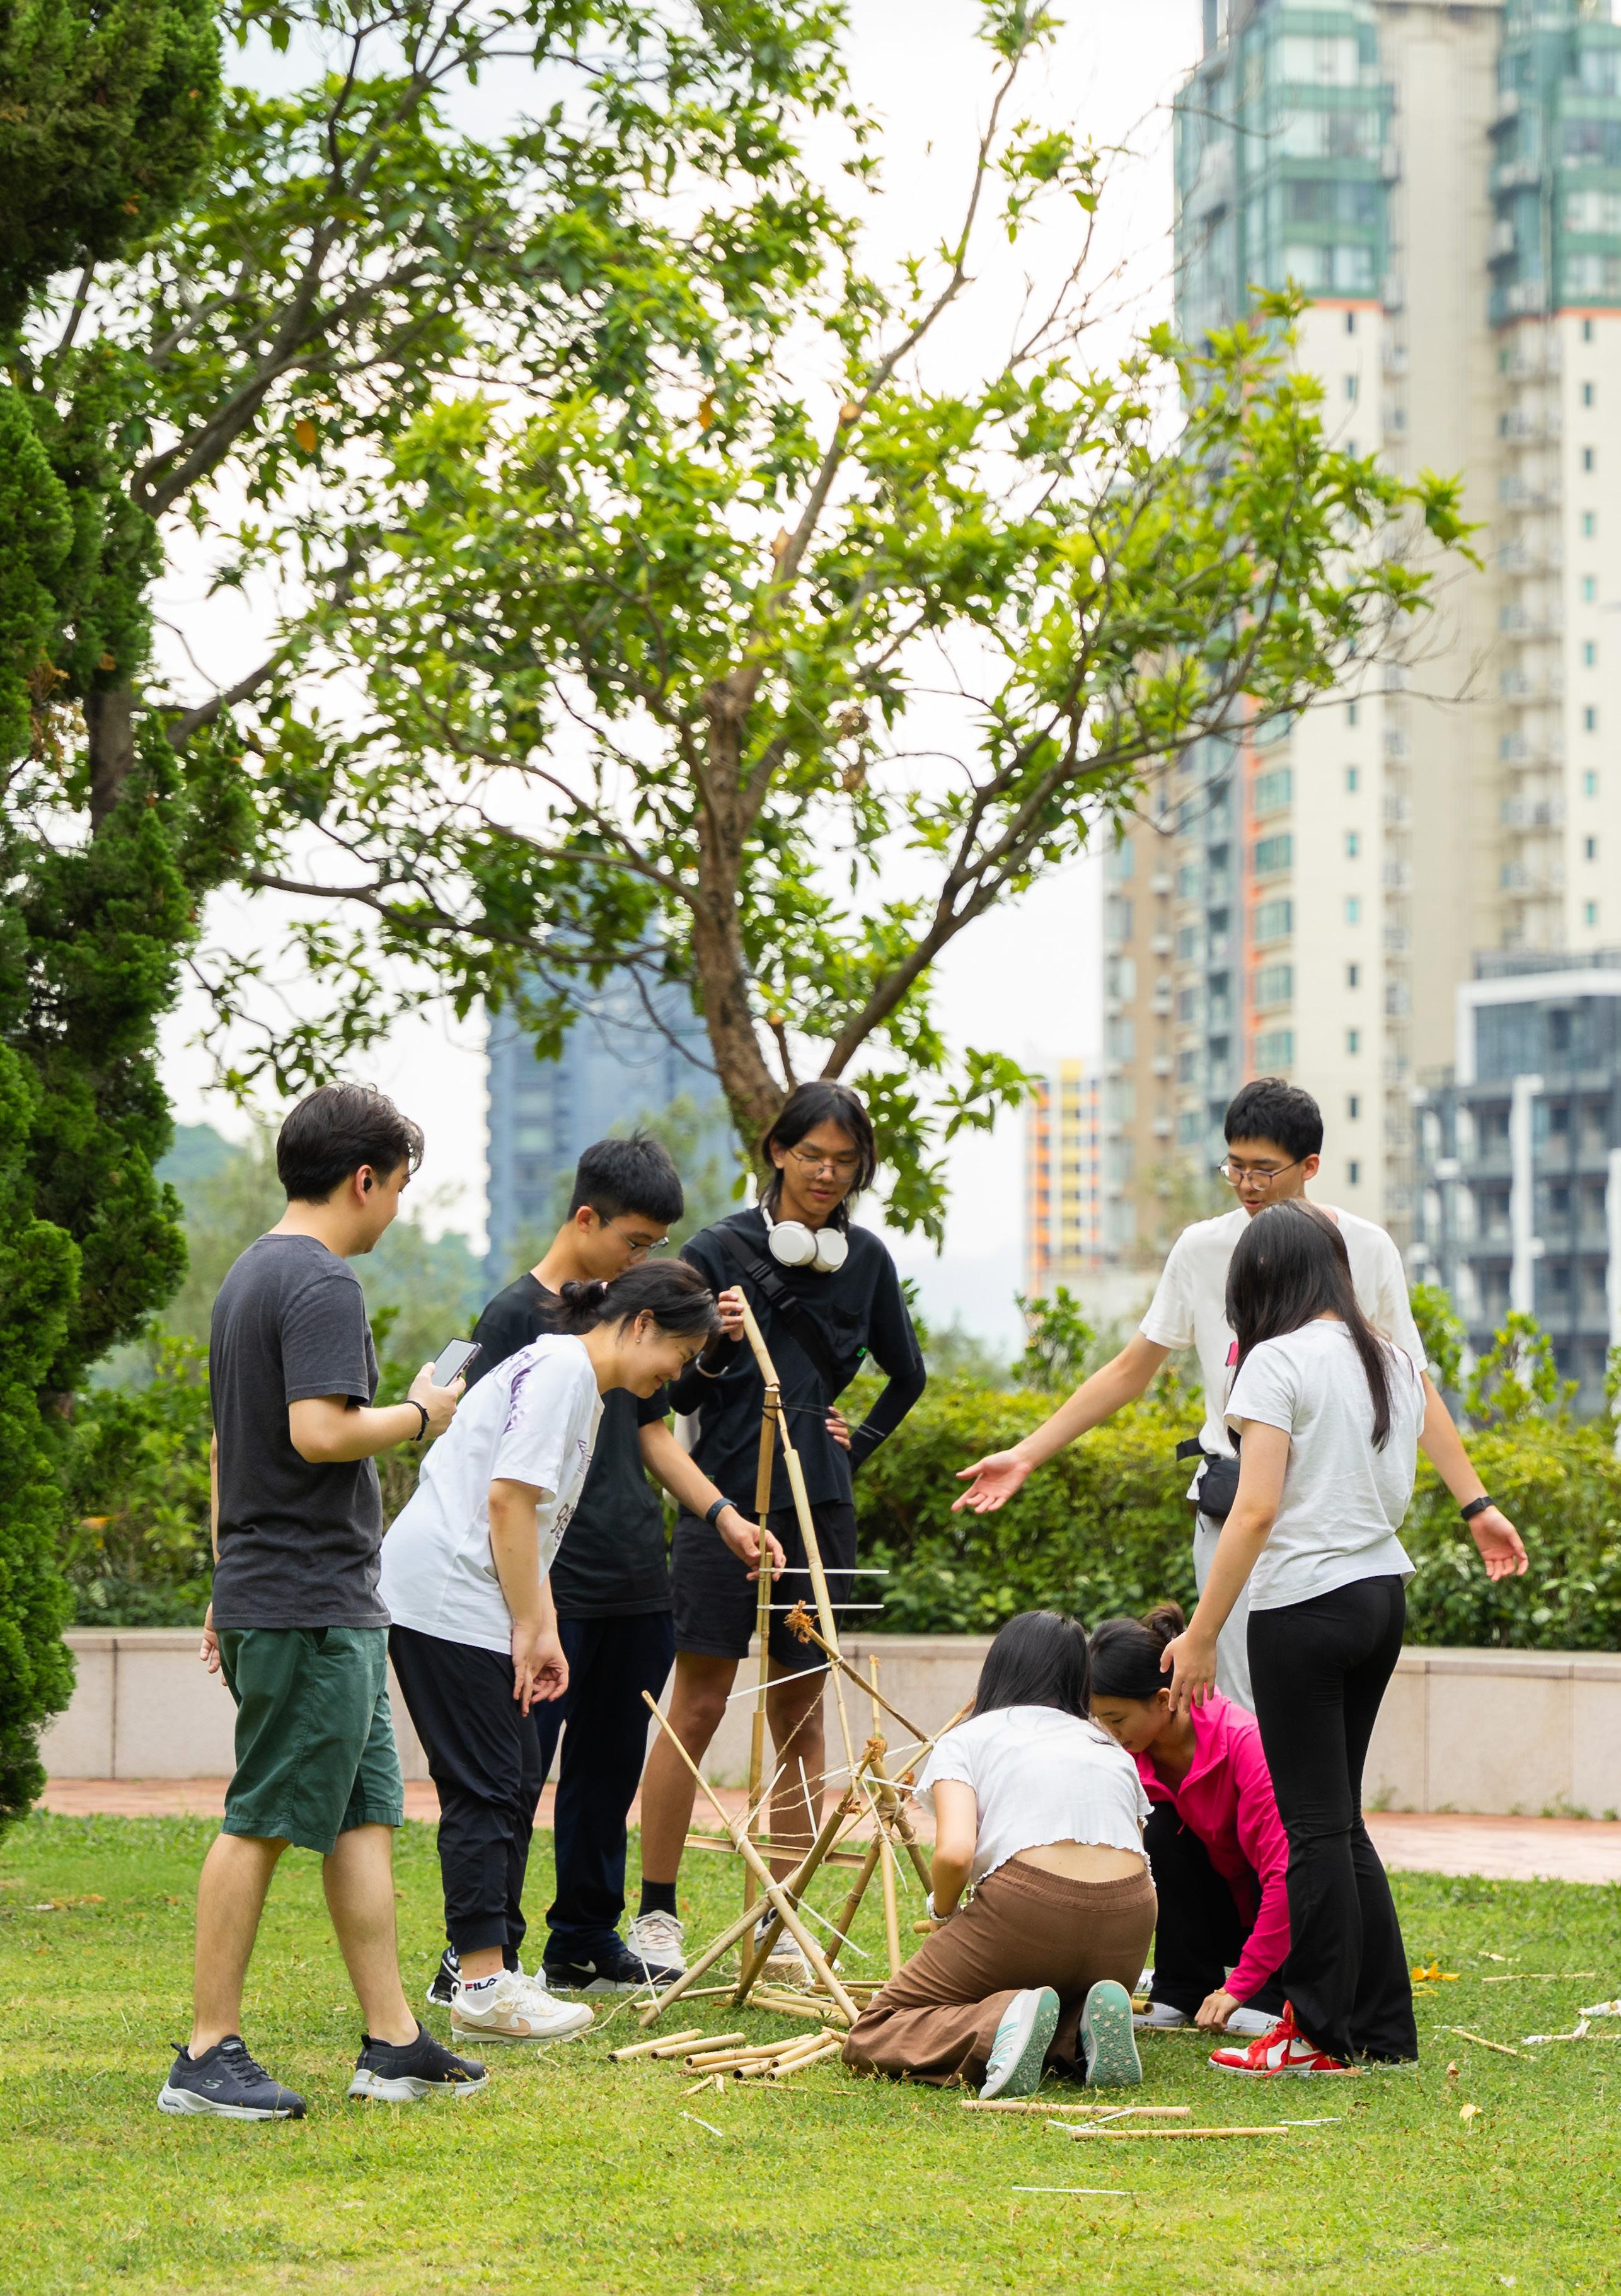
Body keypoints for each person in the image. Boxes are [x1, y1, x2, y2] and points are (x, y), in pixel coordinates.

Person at [955, 1077, 1526, 1707]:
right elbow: (1131, 1370)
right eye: (1234, 1166)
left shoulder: (1365, 1248)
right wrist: (1026, 1454)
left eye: (1263, 1169)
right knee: (1238, 1707)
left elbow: (1409, 1384)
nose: (1247, 1184)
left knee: (1313, 1717)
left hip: (1327, 1523)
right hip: (1234, 1510)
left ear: (1309, 1166)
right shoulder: (1203, 1248)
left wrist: (1477, 1506)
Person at [160, 1085, 483, 2121]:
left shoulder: (250, 1273)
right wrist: (421, 1412)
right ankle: (205, 2053)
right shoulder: (321, 1279)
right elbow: (317, 1431)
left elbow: (233, 1446)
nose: (396, 1208)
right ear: (363, 1179)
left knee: (361, 1817)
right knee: (261, 1816)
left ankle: (392, 2041)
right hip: (308, 1599)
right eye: (398, 1187)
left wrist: (227, 1577)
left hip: (309, 1591)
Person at [422, 1135, 783, 2001]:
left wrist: (723, 1516)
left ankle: (583, 1938)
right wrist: (523, 1604)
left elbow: (653, 1432)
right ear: (586, 1218)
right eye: (635, 1241)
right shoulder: (515, 1316)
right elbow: (484, 1466)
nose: (643, 1258)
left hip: (633, 1574)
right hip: (550, 1586)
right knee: (514, 1772)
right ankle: (486, 1954)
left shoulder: (633, 1315)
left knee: (608, 1770)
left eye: (655, 1245)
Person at [381, 1261, 730, 2047]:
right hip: (446, 1594)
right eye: (678, 1356)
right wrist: (532, 1625)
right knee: (487, 1784)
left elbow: (532, 1519)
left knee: (508, 1775)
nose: (675, 1375)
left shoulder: (577, 1380)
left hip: (469, 1593)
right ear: (642, 1324)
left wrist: (541, 1624)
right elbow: (507, 1501)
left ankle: (487, 1975)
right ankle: (481, 1986)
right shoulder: (564, 1371)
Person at [635, 1081, 927, 1978]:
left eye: (844, 1161)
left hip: (818, 1507)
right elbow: (673, 1395)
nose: (827, 1174)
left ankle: (781, 1914)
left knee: (803, 1708)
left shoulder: (866, 1260)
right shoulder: (715, 1250)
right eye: (811, 1156)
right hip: (723, 1499)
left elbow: (907, 1375)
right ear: (777, 1151)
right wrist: (720, 1344)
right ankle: (656, 1915)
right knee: (697, 1702)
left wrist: (856, 1443)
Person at [1162, 1198, 1425, 2074]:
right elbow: (1394, 1490)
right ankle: (1383, 2032)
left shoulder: (1274, 1361)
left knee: (1312, 1829)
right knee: (1340, 1822)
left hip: (1303, 1608)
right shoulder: (1389, 1357)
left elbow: (1254, 1508)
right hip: (1380, 1593)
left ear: (1261, 1279)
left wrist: (1202, 1633)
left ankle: (1314, 2034)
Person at [841, 1611, 1156, 2097]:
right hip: (1130, 1922)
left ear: (999, 1668)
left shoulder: (969, 1739)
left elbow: (955, 1854)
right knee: (1051, 1987)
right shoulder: (1108, 1746)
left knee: (876, 2029)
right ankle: (1079, 2031)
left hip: (1030, 1908)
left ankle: (1000, 2021)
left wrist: (944, 1914)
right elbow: (1136, 1849)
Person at [1089, 1604, 1288, 2041]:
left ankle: (1273, 1994)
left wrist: (1241, 1987)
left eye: (1116, 1719)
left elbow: (1285, 1878)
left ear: (1164, 1700)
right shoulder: (1127, 1760)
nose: (1109, 1731)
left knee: (1276, 1858)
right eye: (1100, 1719)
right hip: (1221, 1917)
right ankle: (1181, 1988)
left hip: (1279, 1921)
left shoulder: (1246, 1744)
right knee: (1158, 1831)